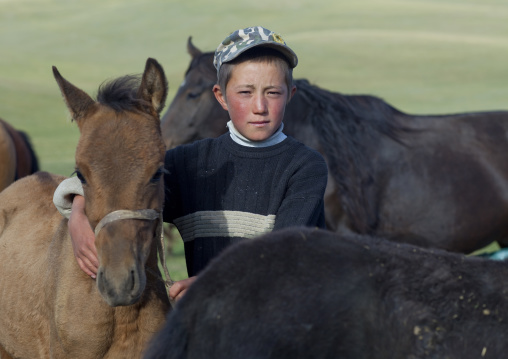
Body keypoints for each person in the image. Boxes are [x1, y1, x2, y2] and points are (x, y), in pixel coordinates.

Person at [53, 26, 328, 302]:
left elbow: (282, 254)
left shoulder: (306, 166)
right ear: (220, 97)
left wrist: (213, 282)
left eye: (273, 93)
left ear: (290, 94)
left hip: (286, 324)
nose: (259, 106)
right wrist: (78, 213)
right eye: (245, 92)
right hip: (209, 325)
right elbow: (116, 177)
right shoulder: (190, 163)